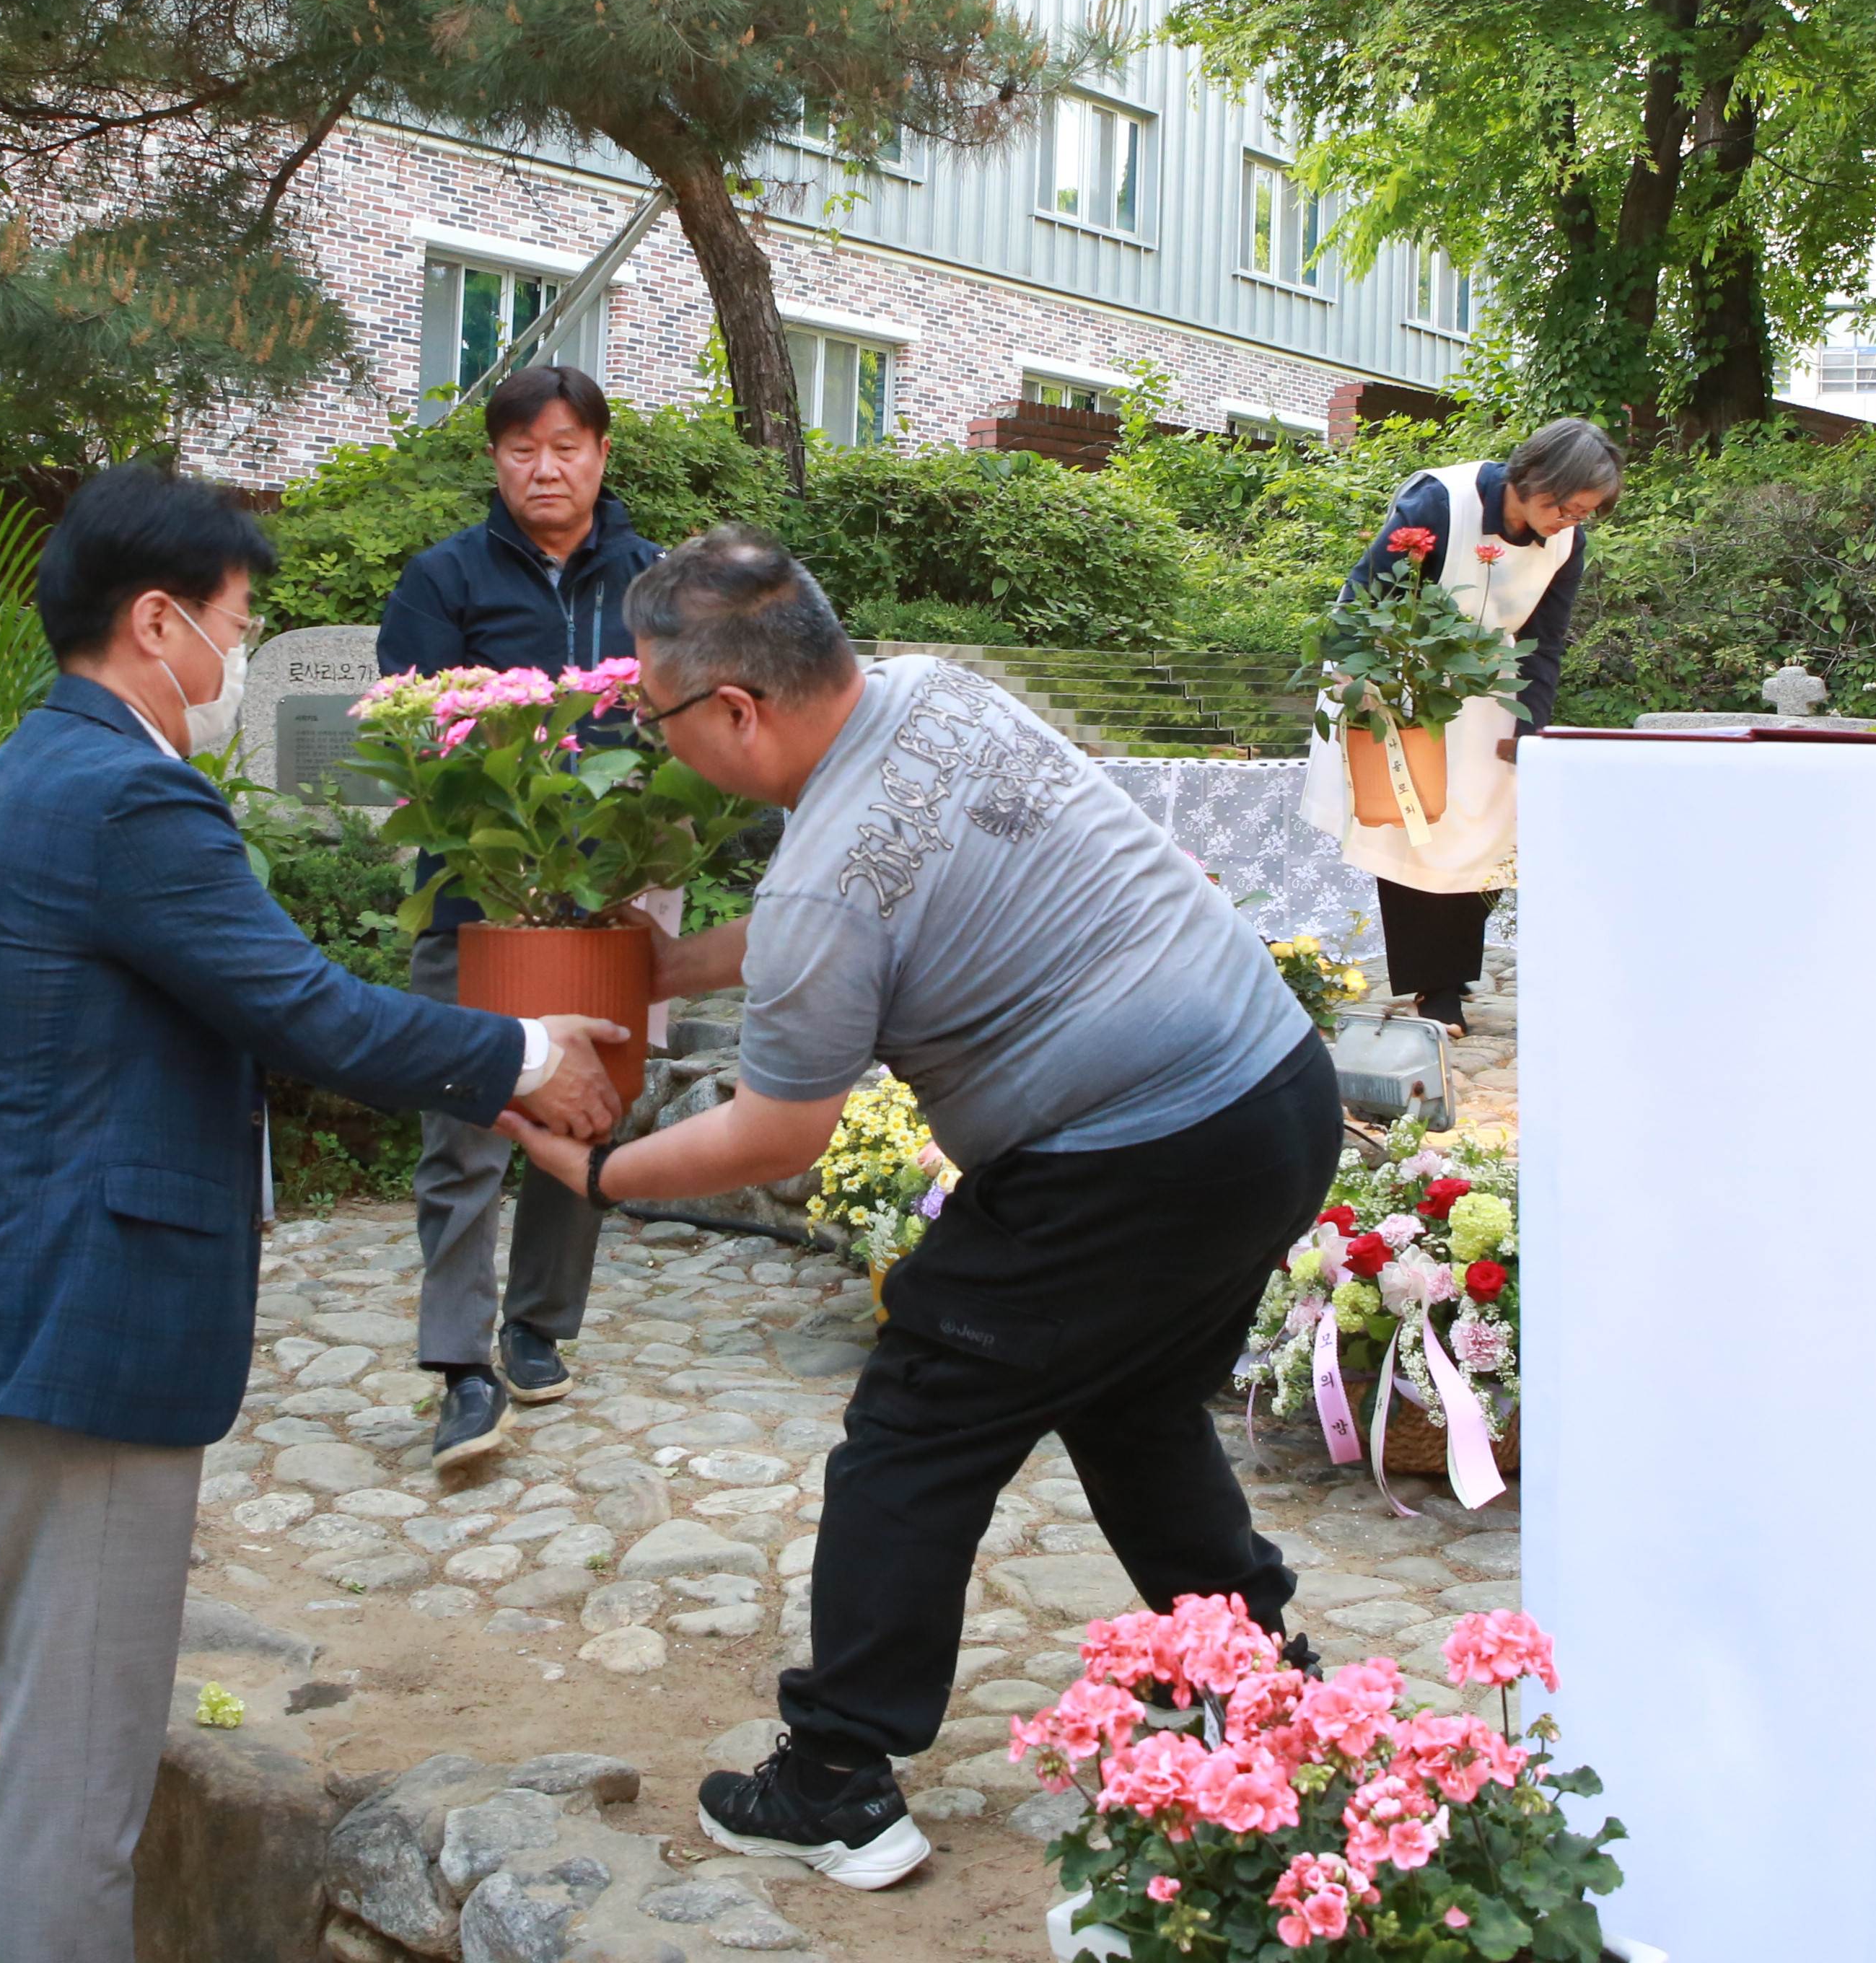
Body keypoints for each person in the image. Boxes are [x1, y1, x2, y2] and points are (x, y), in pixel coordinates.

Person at [0, 467, 630, 1963]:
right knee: (74, 1780)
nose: (237, 655)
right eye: (237, 624)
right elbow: (301, 1007)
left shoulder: (21, 768)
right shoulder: (131, 794)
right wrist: (524, 1054)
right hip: (77, 1349)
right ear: (156, 621)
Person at [491, 528, 1341, 1891]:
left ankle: (836, 1780)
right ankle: (1258, 1692)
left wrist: (595, 1175)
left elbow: (782, 1128)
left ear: (736, 710)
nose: (658, 744)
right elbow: (857, 912)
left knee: (917, 1430)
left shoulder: (824, 875)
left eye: (658, 717)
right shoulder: (935, 694)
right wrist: (664, 969)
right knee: (1131, 1406)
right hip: (1272, 1096)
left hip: (1134, 1155)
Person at [372, 364, 665, 1468]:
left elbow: (686, 719)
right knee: (461, 1124)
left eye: (566, 446)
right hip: (475, 896)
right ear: (495, 459)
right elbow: (418, 735)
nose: (545, 468)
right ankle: (459, 1363)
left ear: (601, 454)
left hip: (607, 897)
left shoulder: (654, 580)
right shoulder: (443, 577)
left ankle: (538, 1325)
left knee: (583, 1112)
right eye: (521, 449)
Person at [1306, 418, 1622, 1030]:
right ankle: (1436, 986)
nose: (1571, 522)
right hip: (1398, 675)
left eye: (1586, 513)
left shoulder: (1567, 543)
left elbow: (1544, 640)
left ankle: (1453, 966)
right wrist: (1359, 682)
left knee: (1491, 827)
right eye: (1566, 508)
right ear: (1536, 478)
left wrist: (1530, 731)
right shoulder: (1441, 502)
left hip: (1486, 684)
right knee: (1417, 826)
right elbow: (1366, 595)